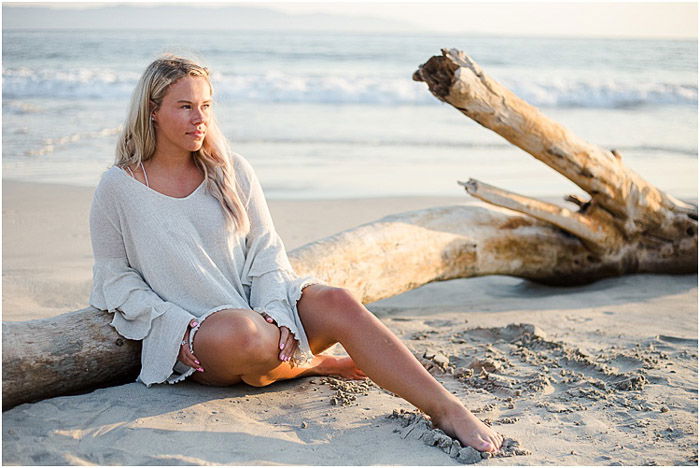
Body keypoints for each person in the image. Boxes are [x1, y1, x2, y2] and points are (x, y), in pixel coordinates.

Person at [89, 54, 503, 453]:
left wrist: (277, 312)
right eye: (185, 106)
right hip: (205, 335)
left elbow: (267, 251)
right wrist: (171, 326)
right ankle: (312, 363)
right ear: (153, 110)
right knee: (244, 334)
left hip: (261, 313)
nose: (200, 119)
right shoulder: (119, 186)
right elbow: (114, 278)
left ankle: (447, 409)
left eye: (206, 106)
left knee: (339, 300)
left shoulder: (230, 170)